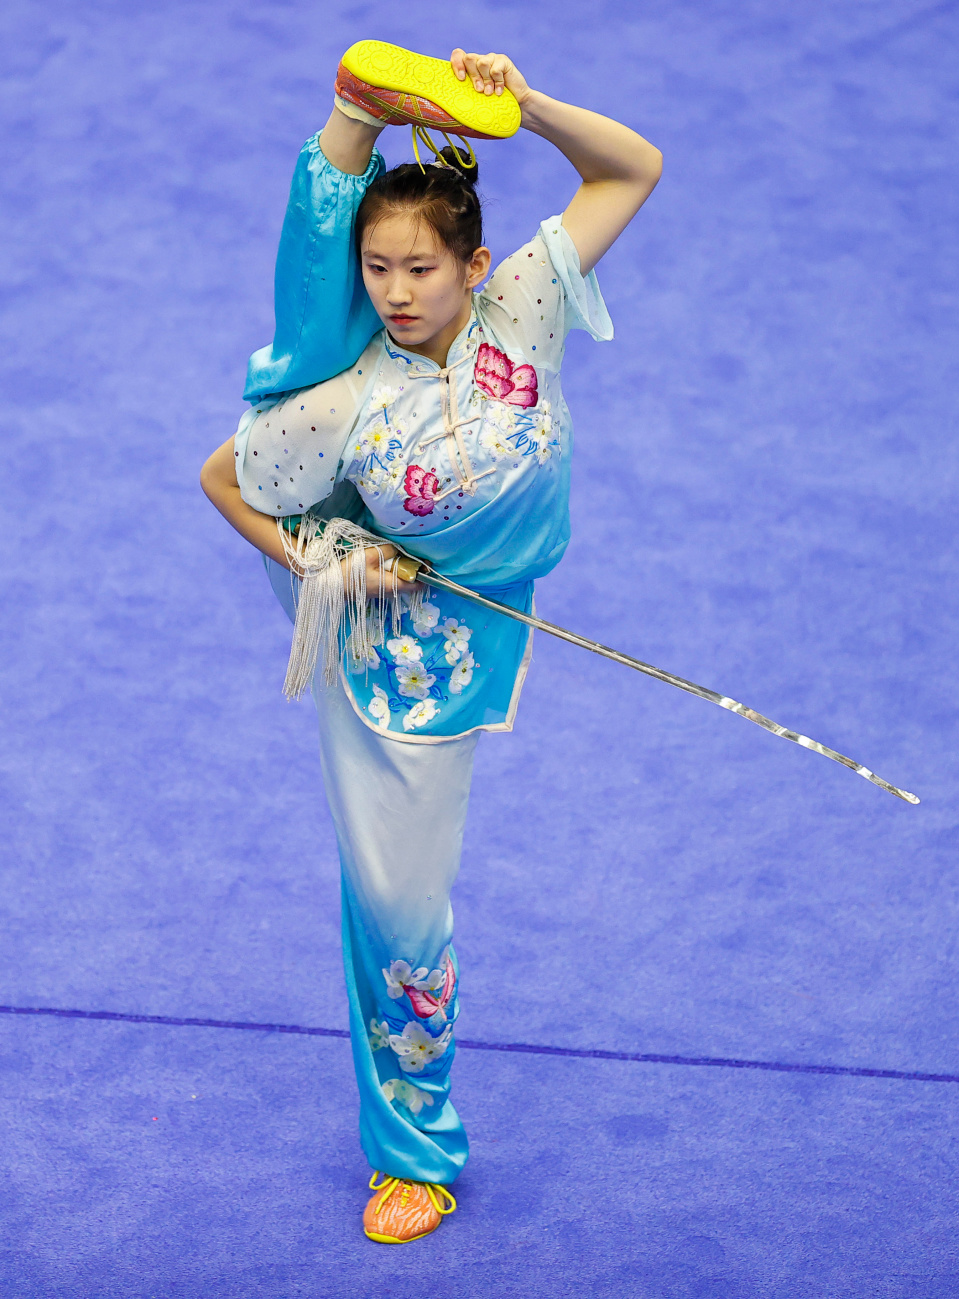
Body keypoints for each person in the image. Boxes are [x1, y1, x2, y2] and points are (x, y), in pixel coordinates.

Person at [201, 41, 661, 1244]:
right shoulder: (340, 398)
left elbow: (631, 170)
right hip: (384, 647)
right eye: (377, 266)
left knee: (404, 902)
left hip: (482, 614)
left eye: (418, 266)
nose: (397, 289)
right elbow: (223, 476)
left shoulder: (521, 307)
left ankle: (360, 115)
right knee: (401, 908)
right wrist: (327, 562)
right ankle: (414, 1154)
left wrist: (525, 106)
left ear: (472, 264)